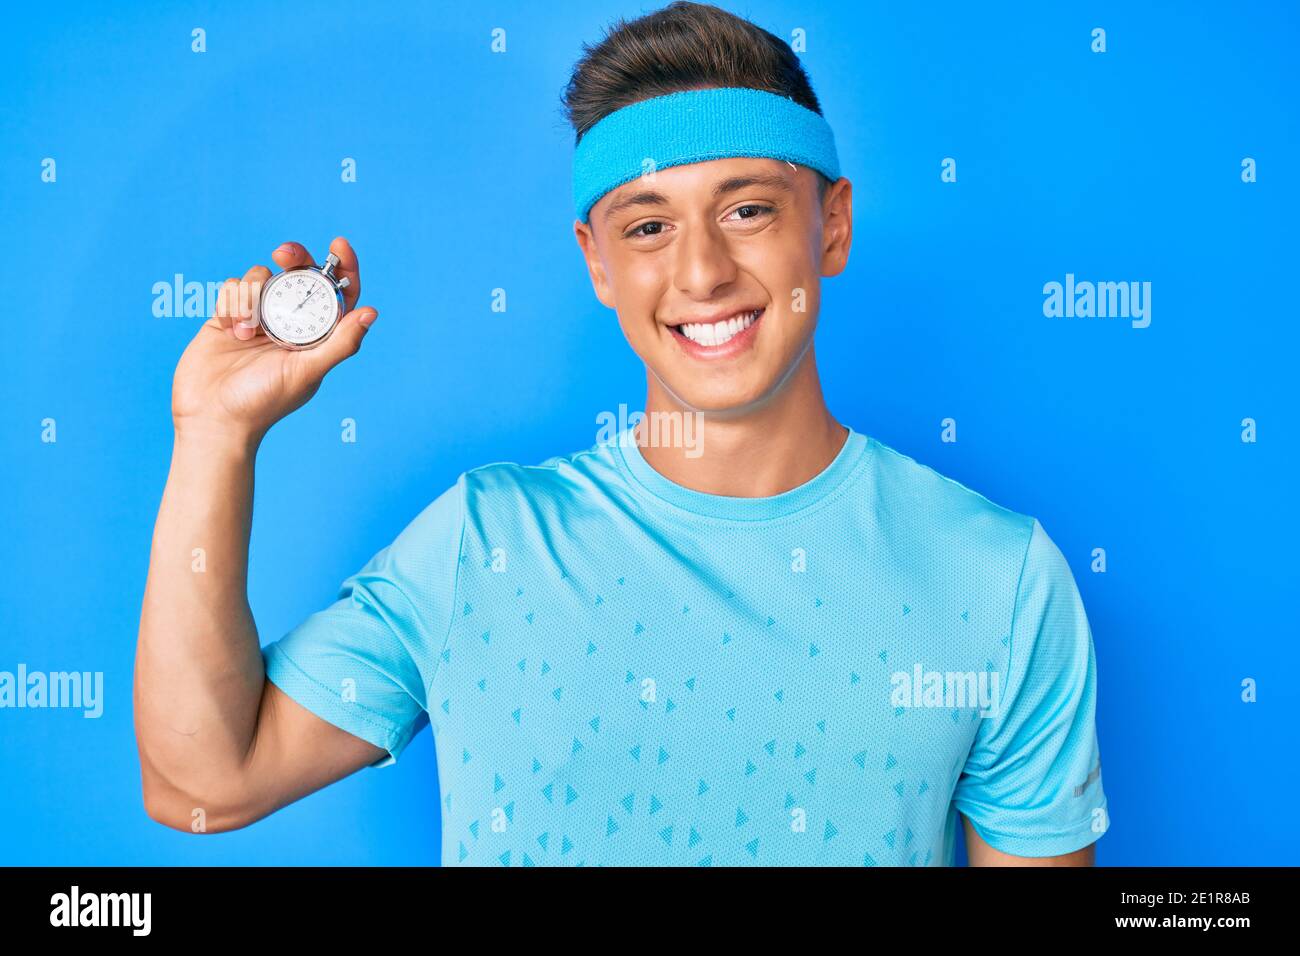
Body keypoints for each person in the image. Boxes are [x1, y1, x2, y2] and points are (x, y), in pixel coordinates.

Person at [135, 0, 1108, 866]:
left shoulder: (997, 577)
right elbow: (202, 785)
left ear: (832, 225)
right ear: (596, 262)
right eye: (647, 227)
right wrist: (214, 434)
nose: (700, 272)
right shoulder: (485, 541)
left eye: (748, 209)